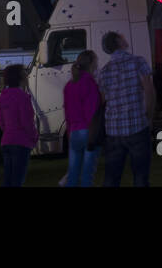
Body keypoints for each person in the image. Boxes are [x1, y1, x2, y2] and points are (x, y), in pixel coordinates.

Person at [98, 31, 155, 187]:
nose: (125, 38)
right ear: (119, 41)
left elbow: (102, 100)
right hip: (137, 126)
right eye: (122, 36)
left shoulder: (104, 71)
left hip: (114, 130)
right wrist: (149, 117)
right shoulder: (138, 62)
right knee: (140, 177)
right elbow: (149, 91)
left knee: (111, 178)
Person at [62, 50, 101, 186]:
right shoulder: (90, 83)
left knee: (73, 173)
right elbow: (92, 112)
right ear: (91, 64)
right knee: (87, 175)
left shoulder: (69, 85)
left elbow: (67, 113)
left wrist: (69, 133)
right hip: (88, 131)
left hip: (74, 132)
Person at [0, 63, 38, 187]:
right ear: (20, 78)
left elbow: (1, 121)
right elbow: (27, 122)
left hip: (7, 141)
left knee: (8, 180)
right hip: (21, 142)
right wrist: (34, 137)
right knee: (17, 180)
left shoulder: (3, 96)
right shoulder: (23, 97)